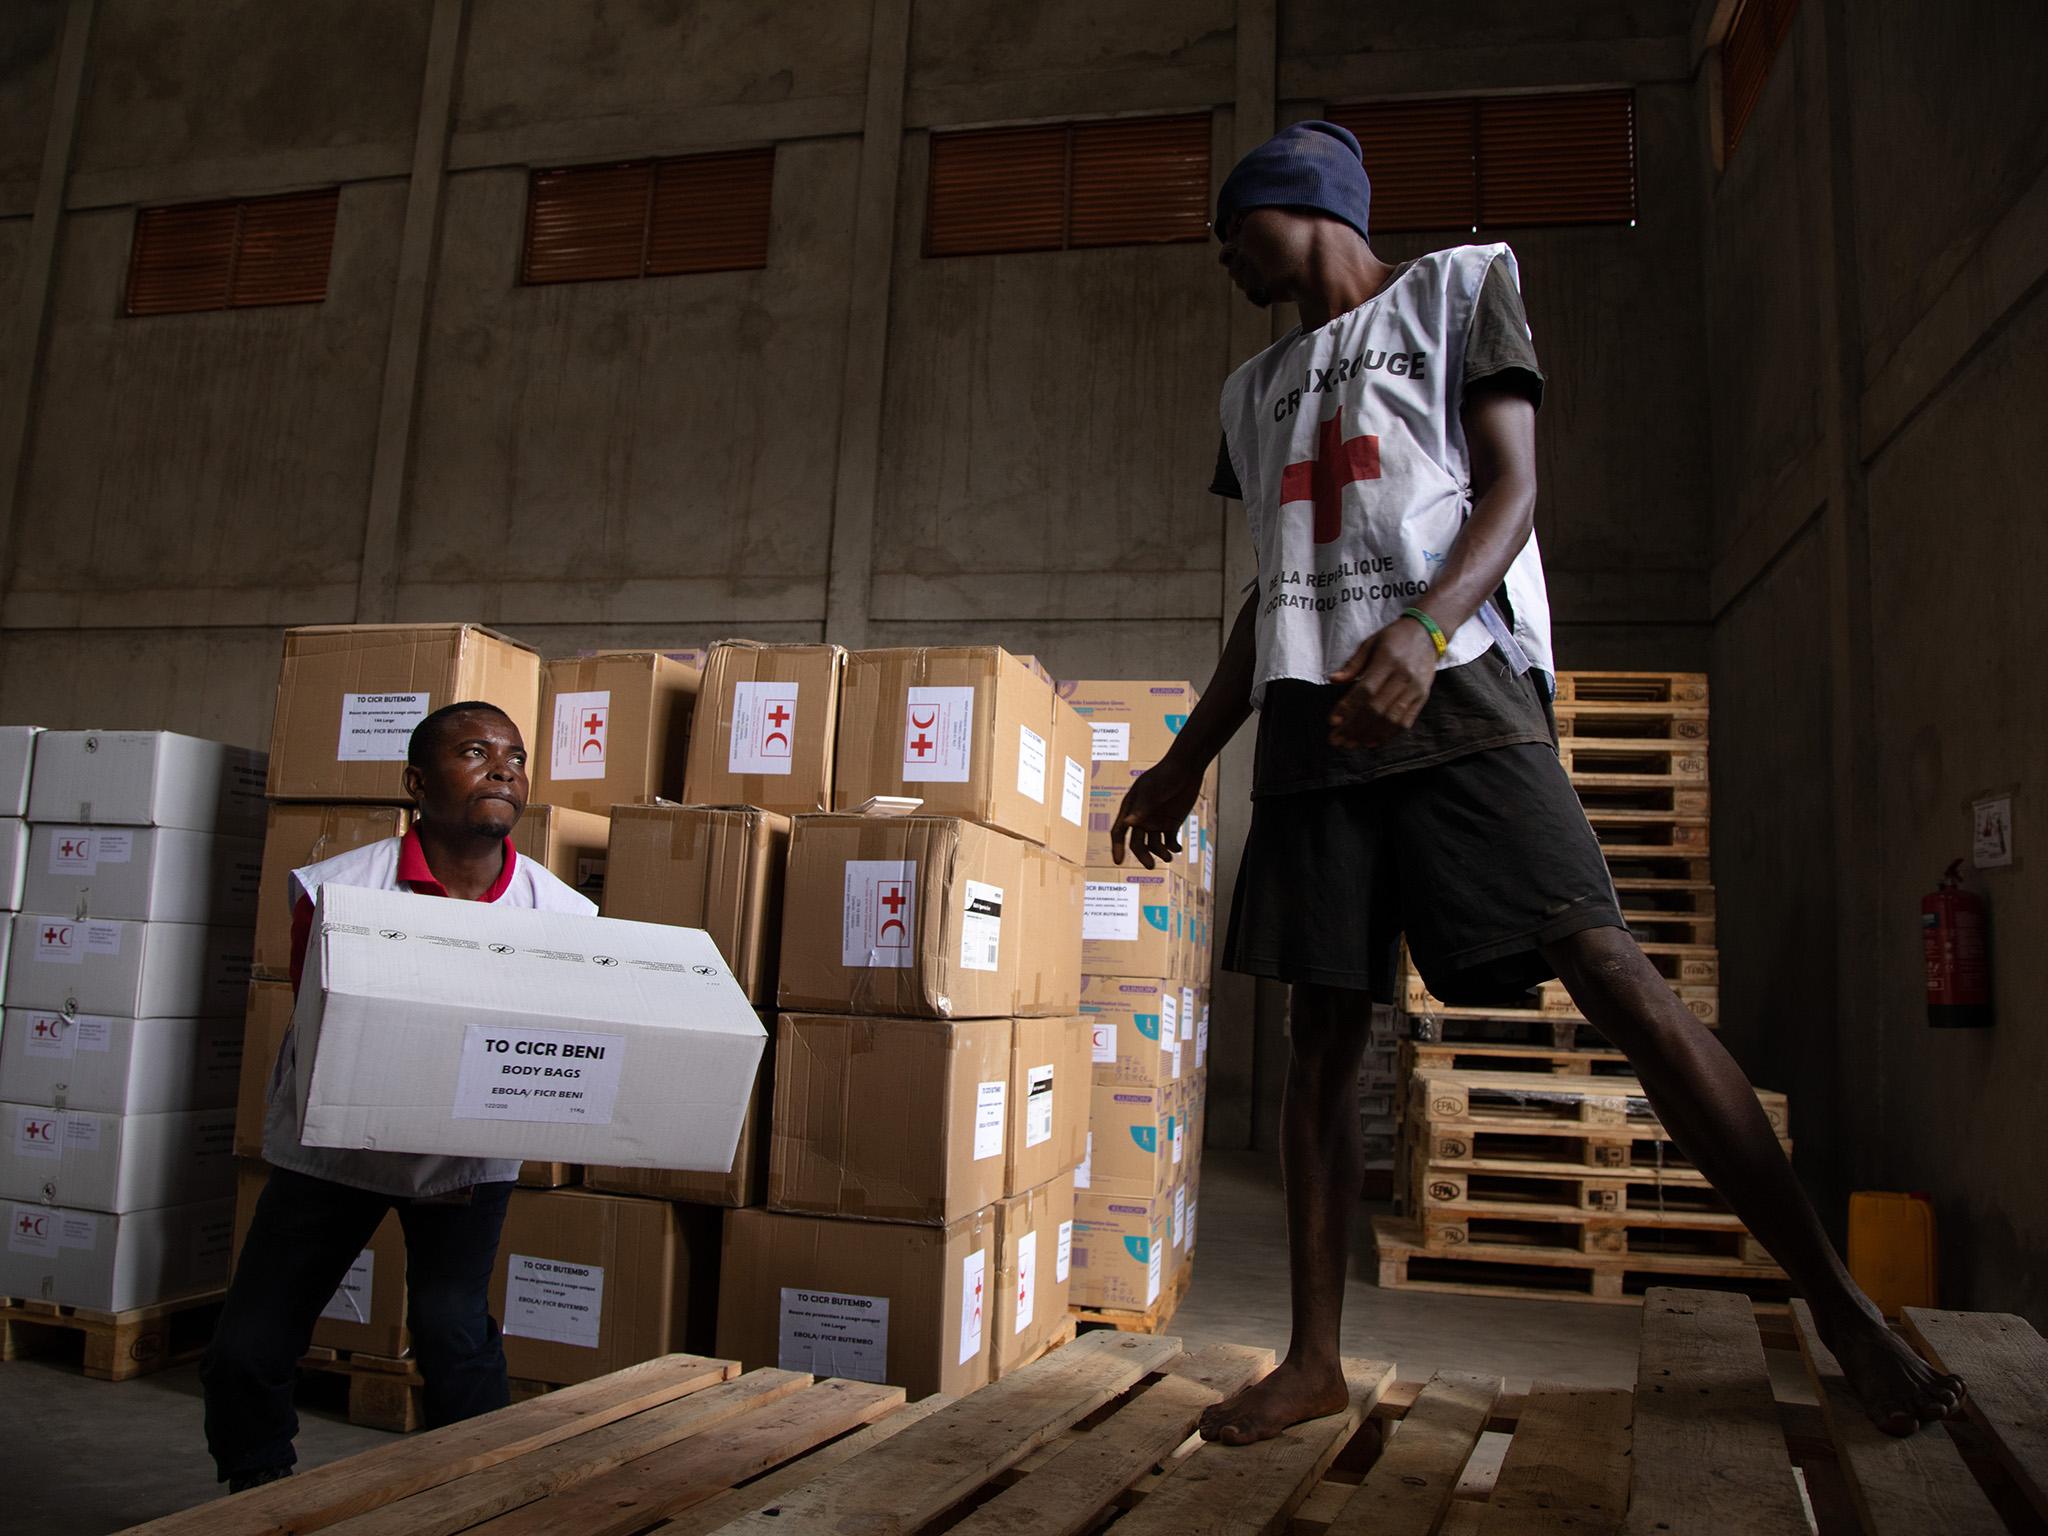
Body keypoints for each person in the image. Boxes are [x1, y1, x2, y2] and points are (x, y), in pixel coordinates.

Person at [1110, 120, 1965, 1444]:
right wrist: (1183, 757)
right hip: (1308, 722)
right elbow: (1270, 587)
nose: (1221, 251)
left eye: (1237, 225)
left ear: (1303, 205)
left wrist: (1428, 628)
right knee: (1323, 1038)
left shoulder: (1460, 290)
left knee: (1613, 970)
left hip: (1460, 689)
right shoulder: (1256, 386)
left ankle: (1841, 1309)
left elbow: (1513, 491)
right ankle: (1314, 1357)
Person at [201, 702, 596, 1490]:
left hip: (463, 1155)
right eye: (475, 752)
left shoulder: (564, 915)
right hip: (336, 1144)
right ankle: (256, 1491)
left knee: (453, 1332)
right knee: (249, 1345)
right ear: (417, 783)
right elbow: (326, 1033)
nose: (503, 768)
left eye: (515, 757)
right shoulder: (338, 892)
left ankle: (483, 1494)